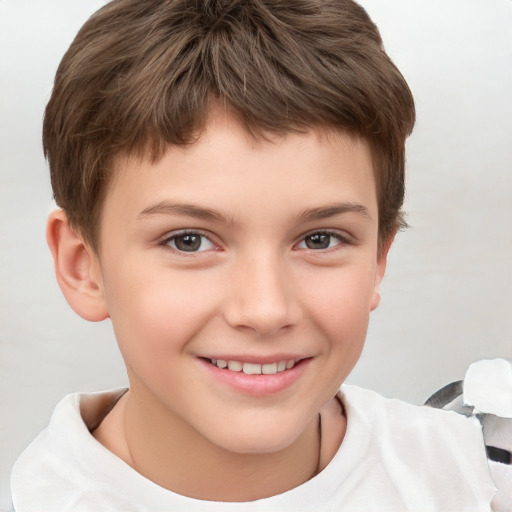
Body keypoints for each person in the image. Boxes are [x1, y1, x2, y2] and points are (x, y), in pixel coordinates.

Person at [10, 0, 496, 510]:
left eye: (319, 239)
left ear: (378, 259)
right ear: (82, 265)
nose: (266, 310)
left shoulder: (478, 478)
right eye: (189, 241)